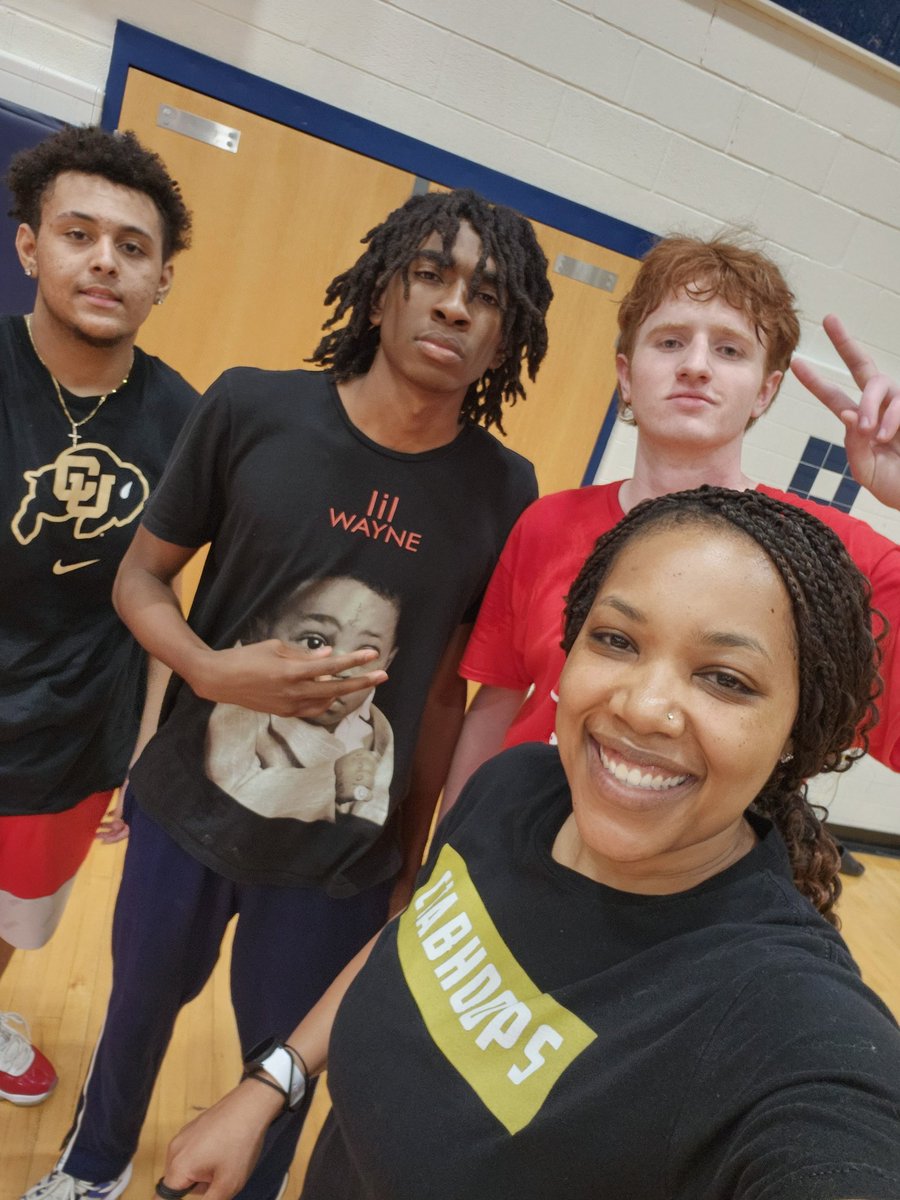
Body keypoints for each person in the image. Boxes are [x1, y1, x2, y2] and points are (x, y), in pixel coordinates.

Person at [21, 188, 553, 1200]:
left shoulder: (503, 489)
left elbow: (447, 691)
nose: (452, 306)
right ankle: (92, 1167)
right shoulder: (253, 407)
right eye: (431, 275)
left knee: (283, 1061)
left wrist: (418, 853)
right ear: (382, 291)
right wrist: (212, 671)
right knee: (137, 1005)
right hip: (190, 806)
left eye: (484, 295)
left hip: (343, 848)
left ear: (504, 336)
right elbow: (140, 581)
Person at [159, 486, 900, 1200]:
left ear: (794, 733)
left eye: (727, 679)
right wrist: (272, 1084)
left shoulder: (779, 1017)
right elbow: (415, 939)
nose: (645, 707)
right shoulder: (516, 788)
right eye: (616, 640)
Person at [442, 236, 900, 825]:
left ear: (765, 391)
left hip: (682, 884)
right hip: (518, 839)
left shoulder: (833, 556)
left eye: (730, 350)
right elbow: (498, 703)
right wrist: (447, 848)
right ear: (626, 377)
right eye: (670, 341)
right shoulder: (547, 522)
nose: (696, 364)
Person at [0, 126, 196, 1106]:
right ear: (31, 246)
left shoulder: (187, 421)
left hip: (73, 737)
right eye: (79, 234)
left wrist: (147, 745)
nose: (105, 261)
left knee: (12, 917)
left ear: (161, 277)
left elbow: (165, 593)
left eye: (133, 245)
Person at [205, 575, 400, 824]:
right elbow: (230, 785)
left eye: (366, 655)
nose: (341, 667)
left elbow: (373, 809)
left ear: (388, 661)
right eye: (314, 642)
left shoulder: (378, 730)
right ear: (263, 630)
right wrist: (331, 778)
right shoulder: (245, 698)